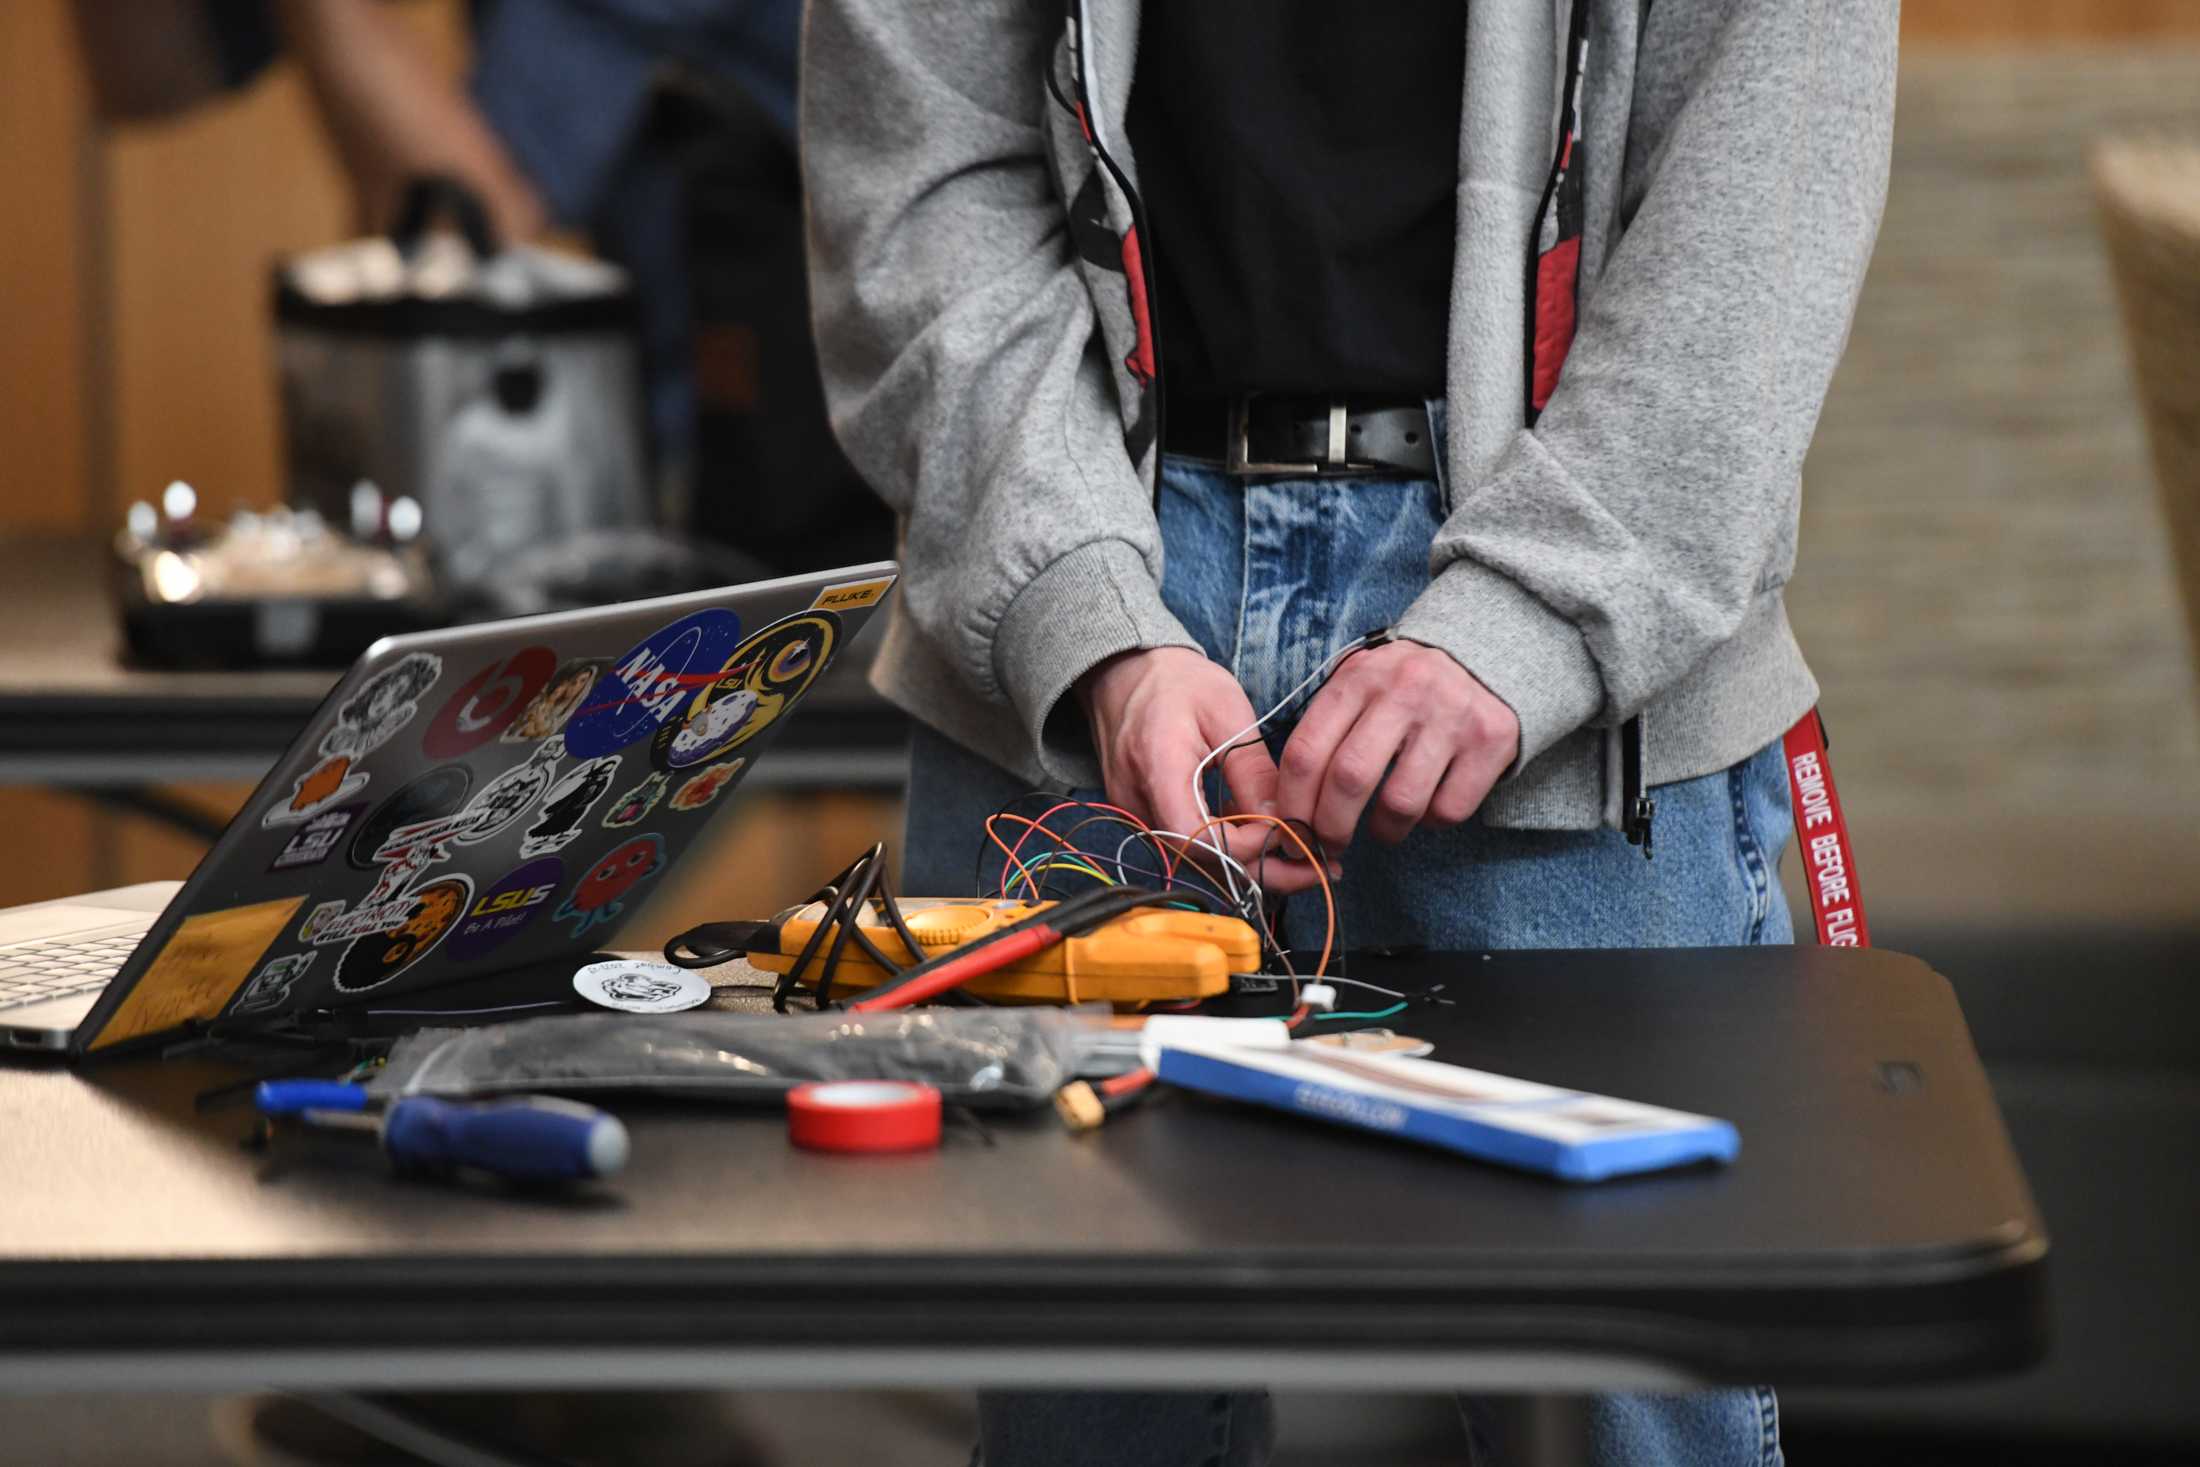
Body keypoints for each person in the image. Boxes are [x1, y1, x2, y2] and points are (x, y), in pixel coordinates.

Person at [803, 2, 1896, 1465]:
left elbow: (1763, 192)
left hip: (1570, 627)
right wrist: (1089, 625)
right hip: (1078, 577)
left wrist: (1534, 615)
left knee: (1632, 1411)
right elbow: (919, 181)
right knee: (1081, 1418)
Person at [71, 0, 892, 575]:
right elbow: (148, 74)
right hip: (702, 458)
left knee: (510, 807)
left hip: (840, 471)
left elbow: (467, 243)